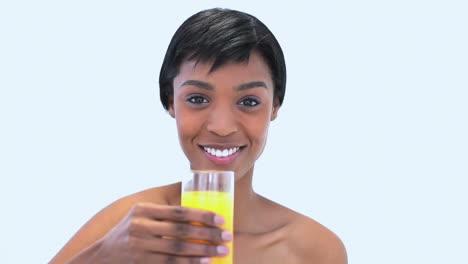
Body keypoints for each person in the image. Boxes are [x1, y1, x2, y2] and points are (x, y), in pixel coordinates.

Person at [50, 8, 347, 264]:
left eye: (249, 102)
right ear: (170, 102)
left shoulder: (315, 250)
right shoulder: (130, 228)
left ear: (275, 107)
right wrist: (102, 256)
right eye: (197, 99)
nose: (221, 126)